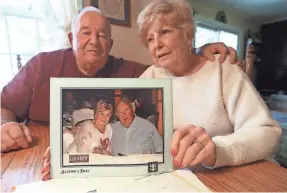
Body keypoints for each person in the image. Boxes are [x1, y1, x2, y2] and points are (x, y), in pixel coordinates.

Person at [0, 6, 238, 154]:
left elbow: (168, 67)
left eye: (102, 35)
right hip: (35, 154)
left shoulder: (129, 70)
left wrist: (196, 52)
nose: (94, 40)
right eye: (86, 33)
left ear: (110, 45)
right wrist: (4, 126)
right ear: (72, 37)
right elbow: (5, 107)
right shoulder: (41, 65)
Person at [138, 0, 282, 169]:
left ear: (188, 34)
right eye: (150, 39)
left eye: (165, 32)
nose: (157, 44)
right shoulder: (151, 75)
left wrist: (216, 151)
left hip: (231, 173)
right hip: (179, 174)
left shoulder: (222, 68)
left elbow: (267, 132)